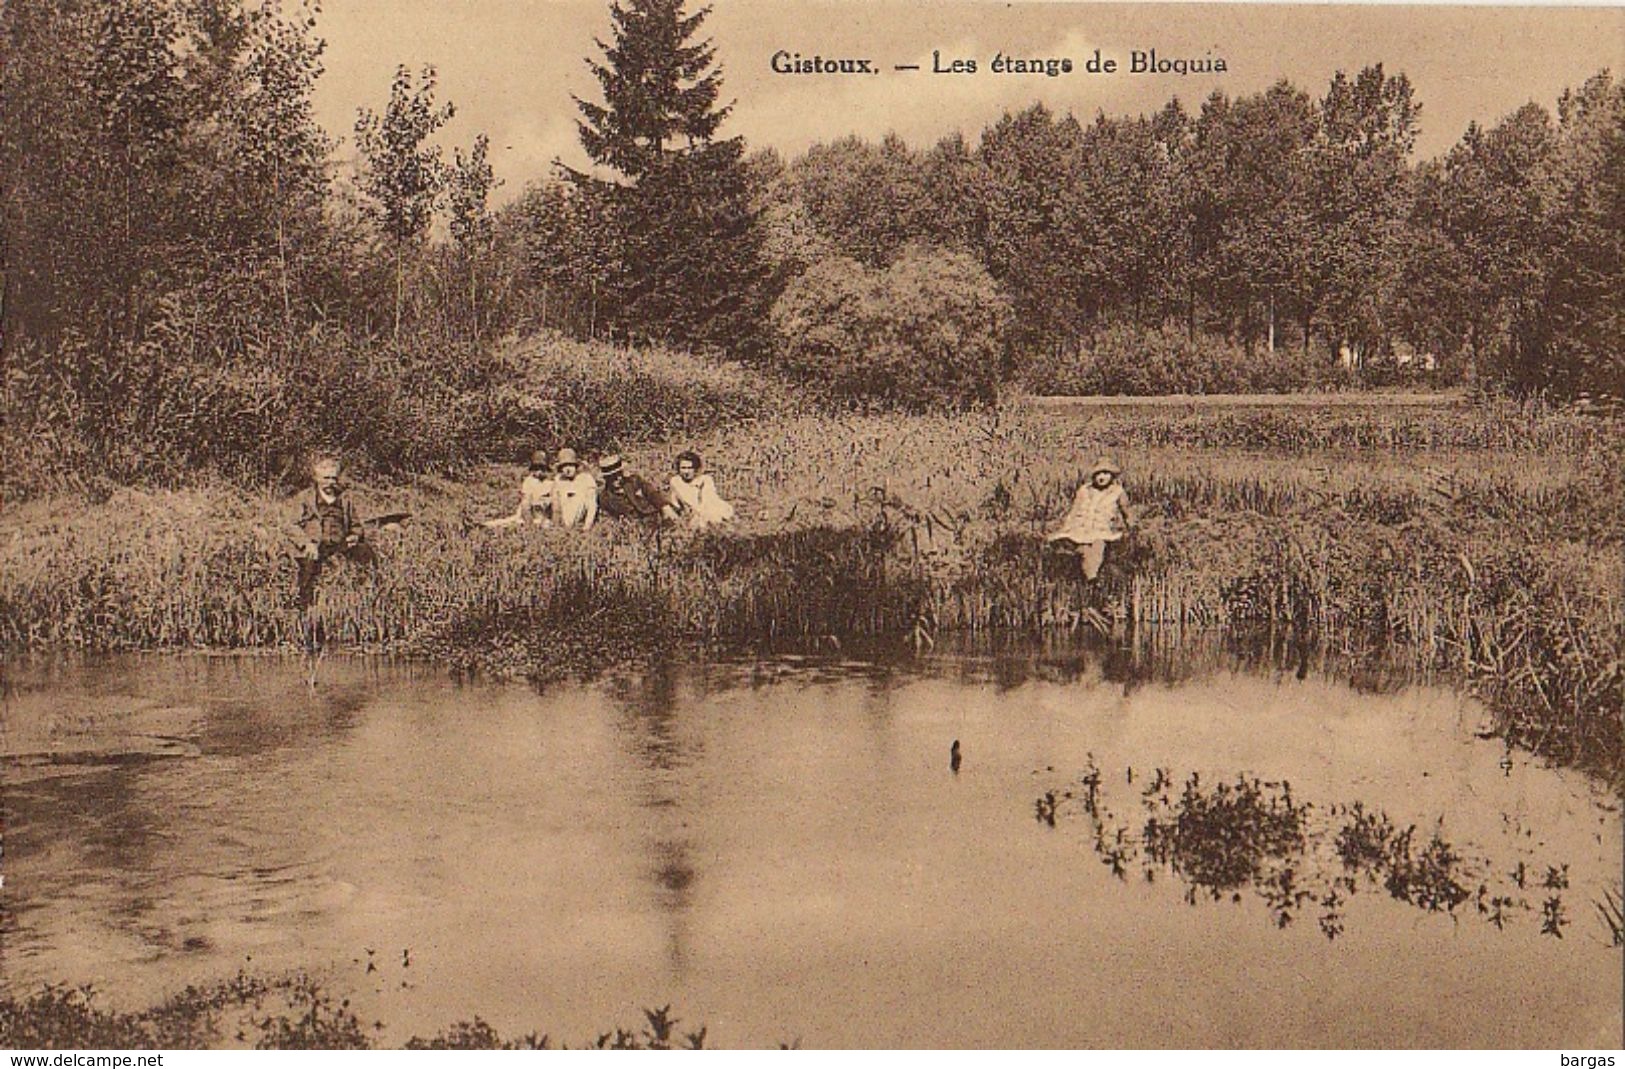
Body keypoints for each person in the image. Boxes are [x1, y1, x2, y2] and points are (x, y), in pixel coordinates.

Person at [286, 456, 377, 609]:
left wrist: (355, 535)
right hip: (315, 545)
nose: (330, 482)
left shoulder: (344, 499)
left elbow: (357, 525)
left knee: (366, 552)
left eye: (333, 478)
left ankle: (369, 597)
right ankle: (303, 606)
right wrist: (306, 544)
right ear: (316, 478)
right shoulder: (304, 498)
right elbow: (291, 525)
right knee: (308, 568)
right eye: (326, 478)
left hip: (340, 544)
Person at [1046, 456, 1134, 581]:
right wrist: (1066, 528)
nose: (1102, 477)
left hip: (1101, 530)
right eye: (1098, 474)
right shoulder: (1084, 490)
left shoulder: (1117, 492)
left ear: (1112, 475)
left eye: (1106, 473)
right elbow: (1074, 511)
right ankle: (1076, 572)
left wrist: (1130, 528)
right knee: (1076, 547)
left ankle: (1091, 578)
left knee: (1096, 547)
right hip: (1081, 527)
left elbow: (1127, 512)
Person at [480, 449, 555, 529]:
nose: (539, 472)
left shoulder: (550, 483)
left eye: (542, 469)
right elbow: (525, 504)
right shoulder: (529, 481)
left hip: (542, 515)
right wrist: (528, 520)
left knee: (546, 525)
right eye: (536, 469)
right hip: (529, 512)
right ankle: (486, 525)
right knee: (512, 522)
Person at [663, 449, 735, 530]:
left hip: (709, 508)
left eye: (690, 468)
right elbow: (675, 501)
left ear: (695, 468)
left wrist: (698, 514)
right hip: (692, 513)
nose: (686, 471)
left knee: (711, 521)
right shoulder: (675, 481)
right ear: (678, 469)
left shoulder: (705, 480)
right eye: (683, 468)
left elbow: (707, 500)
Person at [595, 453, 664, 523]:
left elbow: (651, 493)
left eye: (619, 474)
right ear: (606, 478)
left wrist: (664, 506)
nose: (619, 478)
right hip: (633, 526)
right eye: (613, 477)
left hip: (653, 516)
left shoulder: (634, 481)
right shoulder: (605, 497)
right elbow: (609, 517)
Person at [551, 447, 598, 530]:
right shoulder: (559, 480)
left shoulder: (586, 479)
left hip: (580, 520)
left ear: (576, 466)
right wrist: (557, 524)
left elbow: (592, 506)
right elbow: (556, 505)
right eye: (564, 466)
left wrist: (587, 526)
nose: (568, 469)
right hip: (564, 521)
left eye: (570, 465)